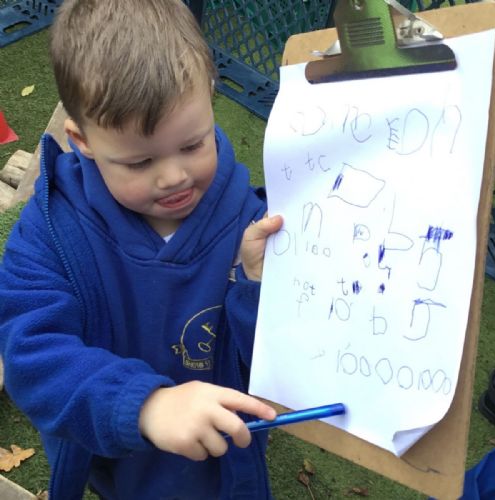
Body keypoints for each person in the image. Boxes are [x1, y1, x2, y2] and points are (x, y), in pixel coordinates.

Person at [0, 0, 283, 498]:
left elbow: (275, 364)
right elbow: (32, 356)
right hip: (115, 455)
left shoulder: (252, 223)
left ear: (210, 97)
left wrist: (256, 286)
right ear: (82, 140)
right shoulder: (50, 232)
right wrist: (145, 406)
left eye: (192, 145)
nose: (174, 176)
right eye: (139, 162)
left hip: (223, 468)